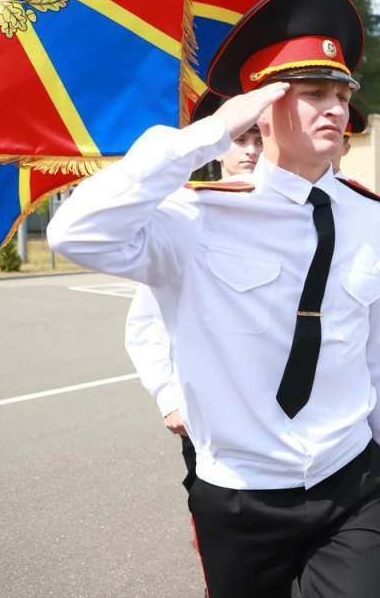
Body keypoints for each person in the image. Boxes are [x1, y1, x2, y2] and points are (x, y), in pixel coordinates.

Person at [48, 0, 380, 598]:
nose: (336, 109)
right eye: (312, 94)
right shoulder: (194, 217)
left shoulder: (372, 217)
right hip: (242, 493)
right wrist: (207, 136)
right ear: (261, 111)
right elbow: (75, 233)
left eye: (341, 94)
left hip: (349, 483)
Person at [124, 90, 263, 492]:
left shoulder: (291, 214)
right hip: (206, 402)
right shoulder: (187, 214)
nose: (251, 151)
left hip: (273, 406)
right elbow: (145, 322)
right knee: (210, 503)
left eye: (259, 140)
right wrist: (168, 396)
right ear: (218, 147)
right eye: (240, 140)